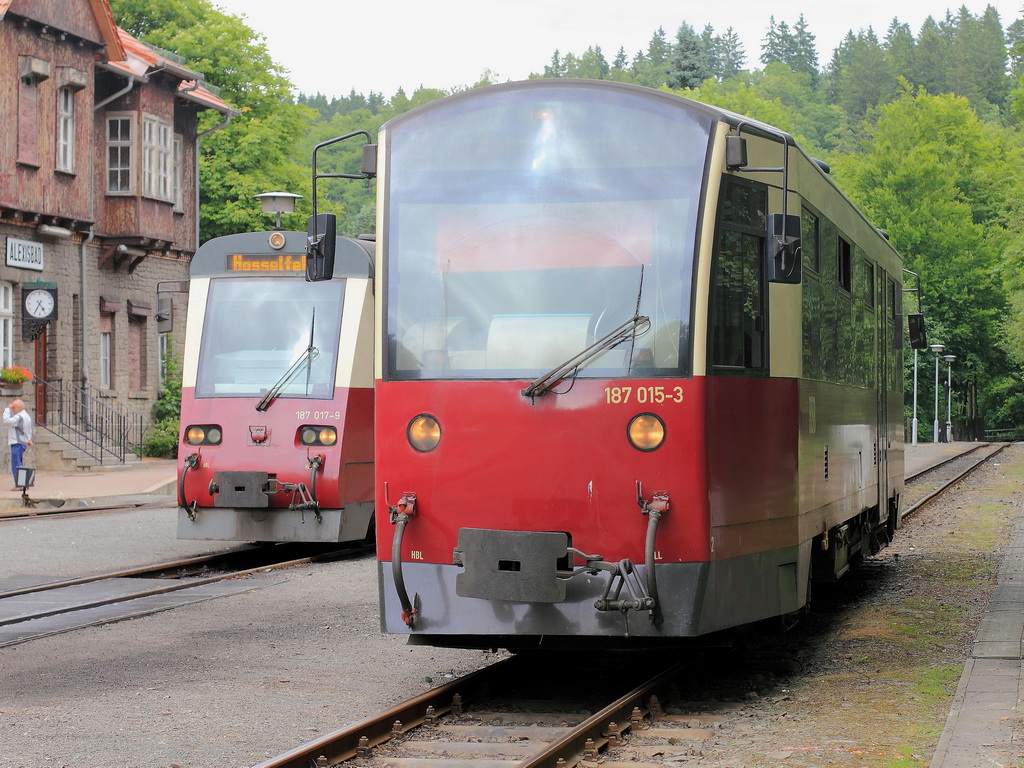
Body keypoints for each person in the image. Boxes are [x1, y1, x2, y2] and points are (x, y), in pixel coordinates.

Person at [3, 399, 32, 490]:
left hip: (17, 442)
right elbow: (28, 429)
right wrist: (28, 439)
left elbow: (6, 421)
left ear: (18, 408)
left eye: (14, 407)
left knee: (16, 464)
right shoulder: (26, 416)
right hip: (22, 442)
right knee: (19, 463)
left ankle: (19, 485)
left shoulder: (19, 417)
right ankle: (24, 483)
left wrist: (7, 409)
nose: (12, 409)